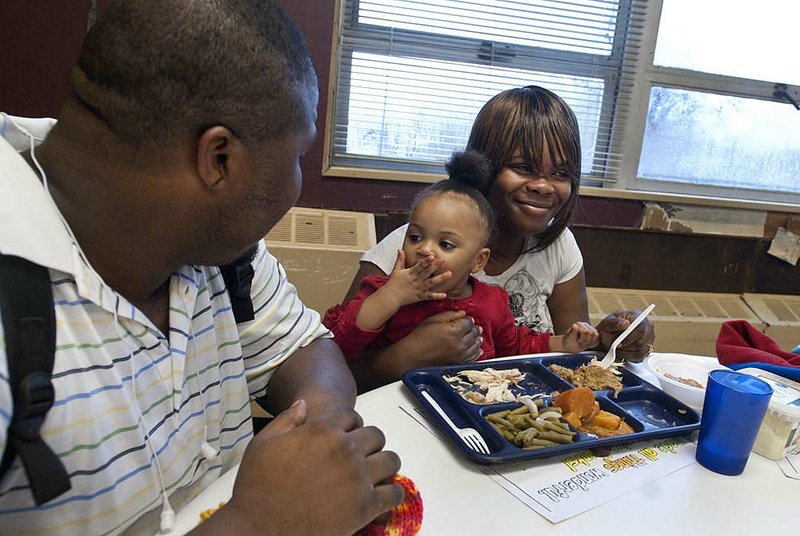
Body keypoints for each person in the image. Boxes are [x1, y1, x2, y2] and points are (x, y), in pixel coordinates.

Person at [0, 1, 402, 535]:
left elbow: (305, 349)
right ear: (220, 160)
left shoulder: (217, 250)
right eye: (300, 155)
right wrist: (265, 521)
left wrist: (322, 437)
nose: (298, 178)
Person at [345, 85, 655, 392]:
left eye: (560, 174)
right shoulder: (412, 250)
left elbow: (572, 360)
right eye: (523, 167)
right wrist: (403, 357)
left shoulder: (559, 245)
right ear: (485, 167)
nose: (544, 186)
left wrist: (607, 339)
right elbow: (336, 368)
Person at [324, 151, 599, 362]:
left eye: (445, 244)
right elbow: (341, 342)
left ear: (478, 261)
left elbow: (514, 344)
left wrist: (563, 343)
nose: (424, 249)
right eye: (415, 237)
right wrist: (391, 296)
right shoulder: (382, 290)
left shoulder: (491, 301)